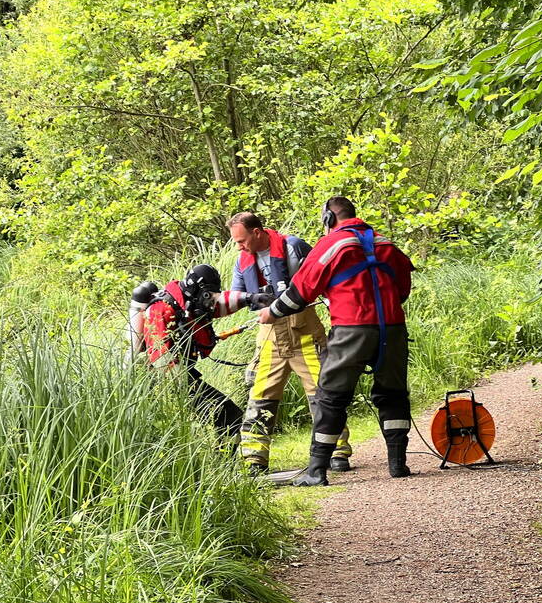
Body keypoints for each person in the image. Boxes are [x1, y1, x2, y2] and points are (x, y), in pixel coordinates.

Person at [259, 197, 415, 486]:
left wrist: (271, 312)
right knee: (393, 395)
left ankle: (316, 471)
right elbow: (403, 289)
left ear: (329, 219)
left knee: (331, 398)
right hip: (393, 329)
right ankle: (398, 464)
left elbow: (299, 293)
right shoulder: (387, 245)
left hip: (351, 330)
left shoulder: (331, 245)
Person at [227, 212, 352, 475]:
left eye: (242, 240)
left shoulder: (293, 247)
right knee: (260, 398)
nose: (239, 246)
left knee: (323, 393)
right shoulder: (242, 261)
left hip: (304, 331)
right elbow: (238, 296)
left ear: (257, 232)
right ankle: (254, 460)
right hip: (269, 338)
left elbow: (321, 278)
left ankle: (338, 452)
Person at [143, 264, 272, 438]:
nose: (210, 301)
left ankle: (225, 462)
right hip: (166, 381)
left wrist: (251, 298)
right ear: (198, 290)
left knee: (228, 416)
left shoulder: (190, 304)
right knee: (227, 415)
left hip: (182, 377)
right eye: (208, 295)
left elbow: (222, 303)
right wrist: (184, 396)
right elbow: (160, 358)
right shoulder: (161, 309)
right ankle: (223, 462)